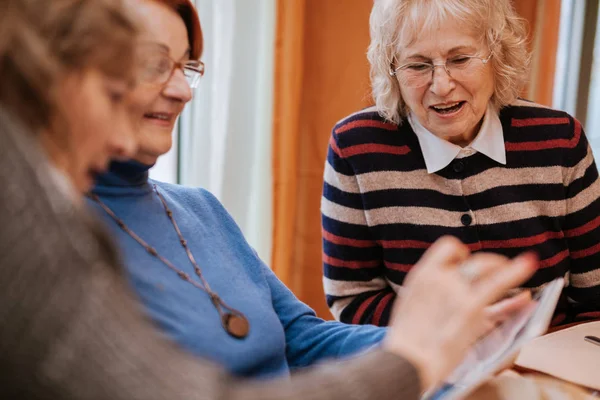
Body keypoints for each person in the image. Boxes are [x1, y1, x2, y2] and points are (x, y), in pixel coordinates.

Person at [0, 0, 537, 399]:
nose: (183, 90)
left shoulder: (198, 206)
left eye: (186, 67)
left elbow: (301, 335)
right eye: (147, 66)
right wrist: (413, 357)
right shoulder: (44, 225)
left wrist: (457, 342)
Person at [322, 0, 600, 327]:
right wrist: (452, 331)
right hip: (426, 361)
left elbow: (595, 298)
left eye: (461, 59)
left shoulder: (558, 139)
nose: (441, 85)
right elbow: (353, 298)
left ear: (496, 57)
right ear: (392, 70)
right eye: (417, 65)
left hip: (545, 360)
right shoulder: (356, 146)